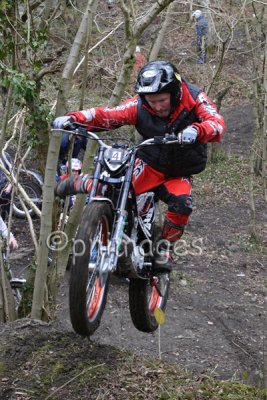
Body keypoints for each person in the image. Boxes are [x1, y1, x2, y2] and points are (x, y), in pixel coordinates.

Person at [53, 60, 225, 272]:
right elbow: (108, 115)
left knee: (182, 204)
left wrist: (198, 130)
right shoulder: (139, 105)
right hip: (150, 162)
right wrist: (73, 119)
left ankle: (165, 247)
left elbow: (217, 123)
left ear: (174, 92)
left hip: (179, 170)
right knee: (115, 182)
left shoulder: (195, 98)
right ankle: (85, 182)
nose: (157, 106)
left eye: (162, 100)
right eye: (152, 101)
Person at [0, 152, 13, 221]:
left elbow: (13, 173)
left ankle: (2, 229)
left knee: (3, 212)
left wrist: (9, 186)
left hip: (4, 189)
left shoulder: (6, 156)